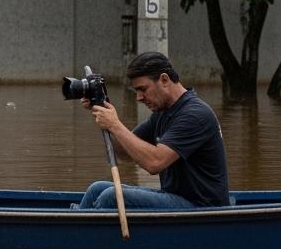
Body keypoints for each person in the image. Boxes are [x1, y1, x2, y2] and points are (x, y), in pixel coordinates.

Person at [76, 52, 229, 209]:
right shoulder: (162, 113)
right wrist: (103, 114)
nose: (139, 98)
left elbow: (154, 163)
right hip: (174, 197)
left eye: (142, 89)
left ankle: (89, 231)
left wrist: (115, 125)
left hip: (201, 207)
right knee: (97, 189)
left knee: (112, 196)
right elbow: (122, 153)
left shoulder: (195, 115)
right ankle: (76, 229)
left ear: (164, 80)